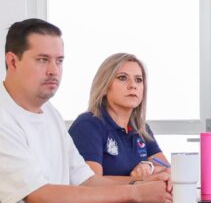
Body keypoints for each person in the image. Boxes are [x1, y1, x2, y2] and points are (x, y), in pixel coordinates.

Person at [0, 19, 172, 203]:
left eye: (59, 61)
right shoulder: (4, 117)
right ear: (12, 61)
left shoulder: (51, 114)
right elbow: (42, 199)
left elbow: (87, 181)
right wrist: (135, 193)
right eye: (42, 60)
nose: (53, 70)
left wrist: (144, 184)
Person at [69, 53, 169, 181]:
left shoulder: (142, 129)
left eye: (138, 80)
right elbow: (92, 184)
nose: (133, 85)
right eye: (122, 78)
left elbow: (169, 171)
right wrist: (138, 181)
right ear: (104, 87)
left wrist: (149, 166)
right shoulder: (87, 125)